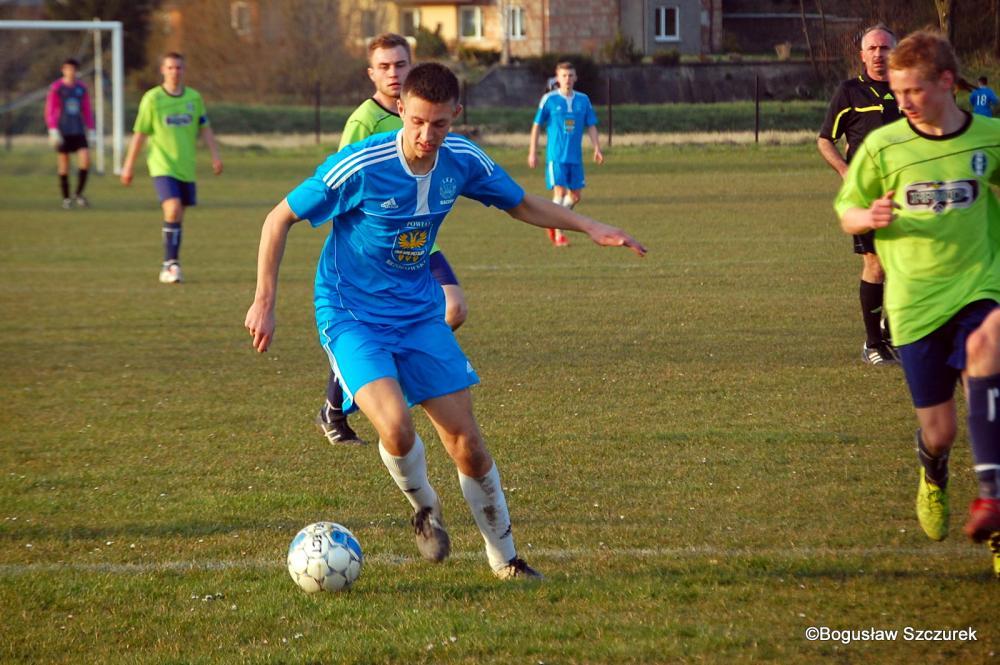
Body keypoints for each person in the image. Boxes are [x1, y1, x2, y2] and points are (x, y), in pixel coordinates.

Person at [244, 63, 646, 580]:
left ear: (456, 114)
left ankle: (506, 561)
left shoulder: (461, 160)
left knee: (468, 445)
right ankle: (425, 508)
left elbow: (521, 204)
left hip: (418, 313)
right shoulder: (362, 164)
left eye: (438, 124)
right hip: (351, 313)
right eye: (416, 122)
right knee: (396, 426)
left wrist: (591, 227)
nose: (426, 135)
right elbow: (278, 218)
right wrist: (265, 300)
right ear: (401, 111)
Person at [834, 31, 1000, 577]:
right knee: (941, 431)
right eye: (897, 91)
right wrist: (869, 216)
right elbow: (847, 212)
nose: (902, 101)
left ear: (947, 82)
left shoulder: (990, 136)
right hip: (914, 304)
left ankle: (995, 506)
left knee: (988, 347)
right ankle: (933, 470)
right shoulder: (884, 146)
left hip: (981, 286)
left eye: (913, 90)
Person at [315, 33, 468, 448]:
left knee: (455, 308)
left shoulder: (427, 111)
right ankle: (338, 400)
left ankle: (400, 366)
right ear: (371, 74)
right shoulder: (363, 122)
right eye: (384, 67)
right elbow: (344, 186)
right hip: (379, 250)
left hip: (420, 241)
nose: (393, 73)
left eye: (400, 64)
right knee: (370, 325)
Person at [818, 25, 901, 365]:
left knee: (907, 264)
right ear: (862, 55)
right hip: (867, 195)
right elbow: (825, 139)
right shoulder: (850, 91)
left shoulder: (910, 89)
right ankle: (873, 344)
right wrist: (845, 171)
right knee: (875, 263)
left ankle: (893, 332)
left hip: (908, 190)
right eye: (873, 49)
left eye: (885, 48)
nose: (879, 54)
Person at [120, 52, 223, 284]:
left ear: (184, 70)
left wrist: (215, 155)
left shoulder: (194, 98)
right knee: (173, 208)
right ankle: (170, 265)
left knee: (177, 216)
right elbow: (140, 134)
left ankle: (172, 263)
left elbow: (204, 127)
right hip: (161, 165)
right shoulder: (152, 99)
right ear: (162, 70)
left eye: (179, 68)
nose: (175, 72)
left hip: (186, 167)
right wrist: (128, 166)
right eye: (170, 67)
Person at [528, 61, 604, 247]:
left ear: (575, 78)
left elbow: (591, 125)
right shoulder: (549, 100)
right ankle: (559, 233)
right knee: (560, 192)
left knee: (575, 196)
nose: (567, 79)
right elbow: (537, 126)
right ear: (558, 78)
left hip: (575, 157)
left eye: (570, 75)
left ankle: (553, 222)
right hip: (556, 156)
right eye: (564, 75)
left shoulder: (583, 100)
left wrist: (597, 147)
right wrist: (533, 152)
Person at [45, 58, 95, 209]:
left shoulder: (81, 88)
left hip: (78, 130)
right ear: (63, 70)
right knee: (64, 164)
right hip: (62, 131)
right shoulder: (57, 87)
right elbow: (51, 109)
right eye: (67, 69)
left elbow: (86, 109)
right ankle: (66, 198)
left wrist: (91, 128)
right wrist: (53, 129)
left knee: (85, 159)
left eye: (73, 69)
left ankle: (78, 194)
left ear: (76, 71)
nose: (70, 72)